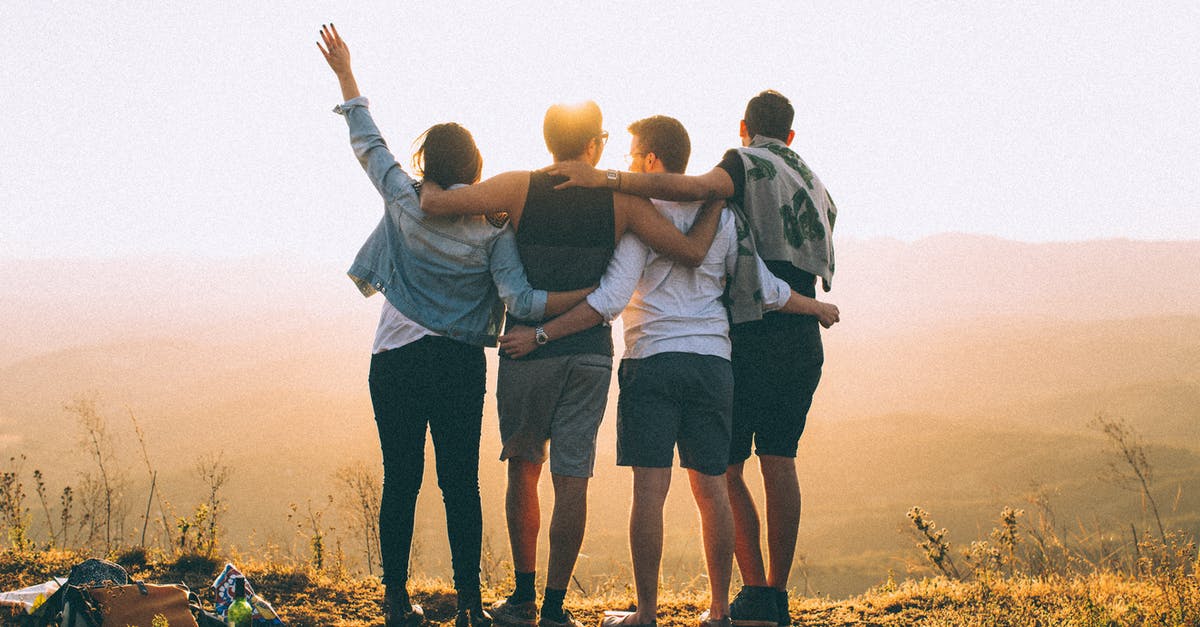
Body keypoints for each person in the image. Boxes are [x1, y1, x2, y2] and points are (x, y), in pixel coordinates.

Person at [500, 116, 838, 627]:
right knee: (713, 489)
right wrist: (814, 309)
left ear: (653, 161)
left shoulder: (640, 220)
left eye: (636, 155)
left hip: (651, 361)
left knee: (649, 493)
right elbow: (764, 287)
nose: (630, 164)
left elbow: (610, 299)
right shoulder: (722, 217)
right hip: (712, 364)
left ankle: (648, 614)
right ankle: (721, 612)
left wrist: (542, 332)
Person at [317, 25, 593, 627]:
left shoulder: (404, 197)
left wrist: (345, 74)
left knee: (402, 479)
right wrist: (585, 295)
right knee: (459, 484)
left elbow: (369, 143)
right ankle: (469, 605)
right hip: (459, 363)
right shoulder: (492, 228)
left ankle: (395, 600)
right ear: (476, 166)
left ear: (426, 163)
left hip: (393, 355)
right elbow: (519, 298)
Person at [419, 103, 724, 627]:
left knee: (523, 468)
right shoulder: (621, 202)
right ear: (594, 146)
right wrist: (716, 196)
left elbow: (439, 204)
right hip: (588, 354)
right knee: (572, 479)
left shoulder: (518, 187)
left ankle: (522, 598)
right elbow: (690, 251)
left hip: (525, 350)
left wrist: (424, 184)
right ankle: (557, 608)